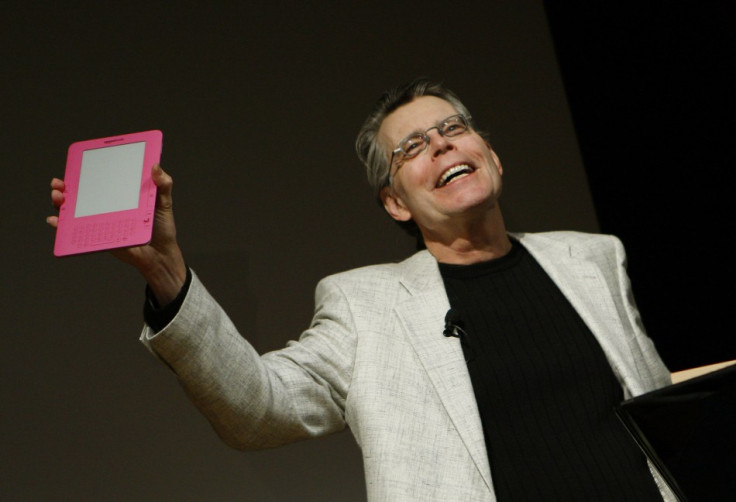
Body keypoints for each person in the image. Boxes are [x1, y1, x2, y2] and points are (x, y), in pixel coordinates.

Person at [48, 78, 675, 501]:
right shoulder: (366, 307)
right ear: (395, 202)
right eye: (412, 148)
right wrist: (168, 277)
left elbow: (655, 404)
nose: (441, 144)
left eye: (453, 127)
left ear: (492, 154)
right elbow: (258, 410)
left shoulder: (593, 258)